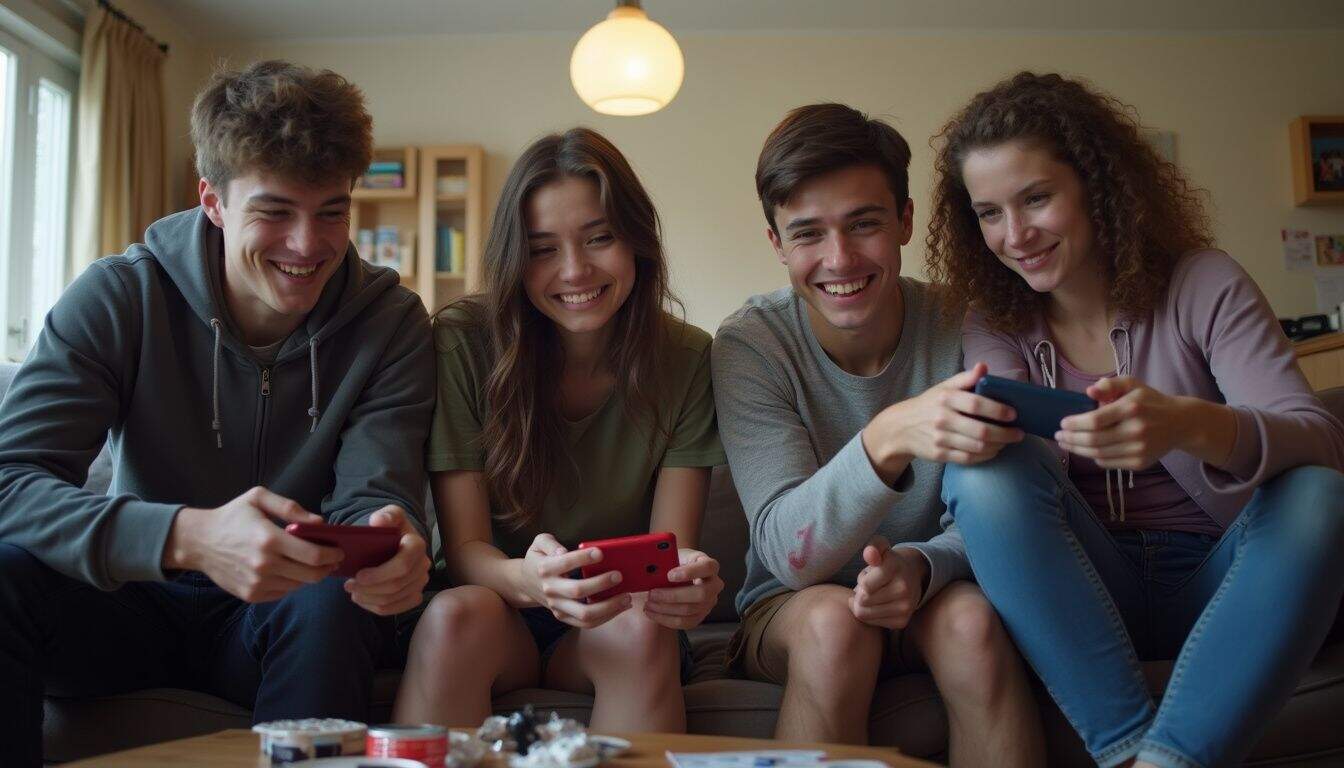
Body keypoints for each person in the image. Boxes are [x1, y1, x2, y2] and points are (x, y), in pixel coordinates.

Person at [0, 60, 435, 767]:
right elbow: (11, 483)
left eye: (331, 212)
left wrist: (393, 543)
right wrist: (188, 537)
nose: (308, 245)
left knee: (335, 603)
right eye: (274, 212)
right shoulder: (120, 296)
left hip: (287, 610)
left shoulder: (390, 323)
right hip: (127, 603)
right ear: (212, 201)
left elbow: (374, 497)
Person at [927, 71, 1344, 768]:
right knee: (984, 470)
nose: (1015, 235)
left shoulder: (1202, 282)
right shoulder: (993, 319)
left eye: (1036, 198)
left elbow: (1320, 438)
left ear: (1098, 186)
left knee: (1319, 491)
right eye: (989, 213)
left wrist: (1185, 424)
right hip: (1085, 594)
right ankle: (1123, 751)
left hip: (1227, 578)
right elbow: (1004, 491)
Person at [711, 103, 1043, 766]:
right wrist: (885, 437)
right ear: (777, 244)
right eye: (808, 234)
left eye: (864, 223)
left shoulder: (967, 322)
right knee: (835, 627)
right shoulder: (752, 344)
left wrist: (923, 566)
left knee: (974, 624)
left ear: (905, 221)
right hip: (794, 606)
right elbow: (790, 556)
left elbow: (1012, 511)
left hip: (933, 588)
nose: (839, 259)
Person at [393, 128, 725, 733]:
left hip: (622, 613)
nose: (574, 271)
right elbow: (465, 553)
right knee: (452, 617)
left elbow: (668, 551)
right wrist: (531, 580)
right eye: (542, 249)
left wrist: (688, 582)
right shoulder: (463, 342)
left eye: (599, 238)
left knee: (644, 626)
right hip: (501, 605)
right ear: (514, 260)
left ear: (637, 240)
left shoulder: (687, 357)